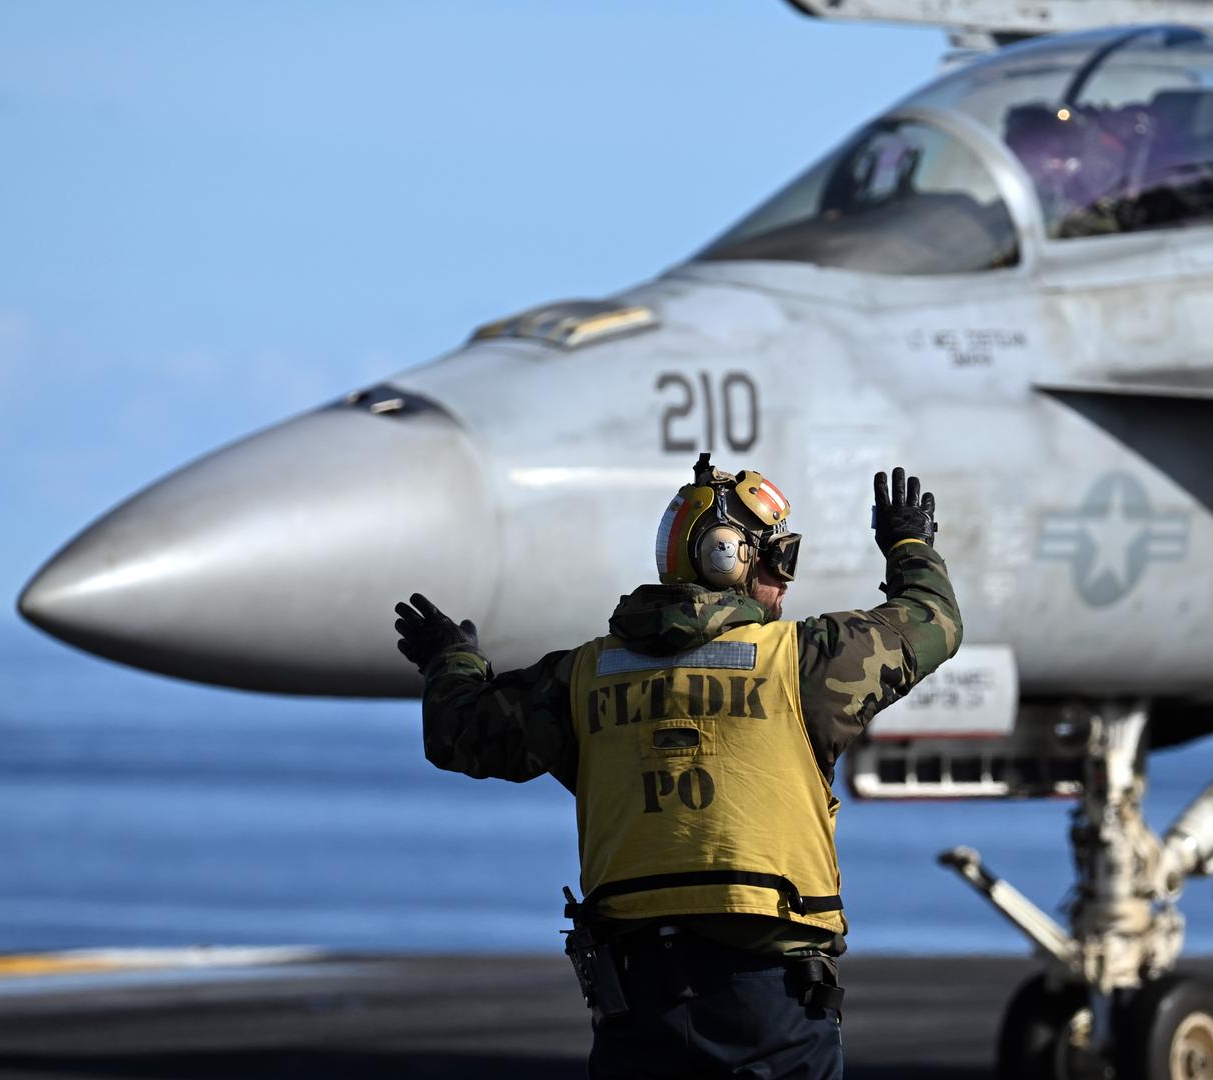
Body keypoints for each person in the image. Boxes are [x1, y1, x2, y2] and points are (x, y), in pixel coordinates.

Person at [393, 454, 962, 1080]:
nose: (786, 581)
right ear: (733, 558)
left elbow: (459, 732)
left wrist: (451, 660)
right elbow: (932, 620)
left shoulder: (581, 677)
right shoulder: (804, 664)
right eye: (782, 558)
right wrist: (908, 542)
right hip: (772, 1005)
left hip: (636, 1008)